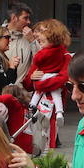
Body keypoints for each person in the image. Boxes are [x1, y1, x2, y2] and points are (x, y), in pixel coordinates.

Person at [24, 19, 72, 148]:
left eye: (41, 31)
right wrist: (32, 79)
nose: (36, 35)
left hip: (53, 106)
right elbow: (27, 83)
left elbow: (62, 79)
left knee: (49, 138)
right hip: (39, 104)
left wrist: (38, 84)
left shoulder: (65, 55)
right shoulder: (41, 54)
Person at [4, 2, 35, 83]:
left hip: (23, 91)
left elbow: (40, 59)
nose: (29, 22)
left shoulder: (30, 37)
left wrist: (32, 41)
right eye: (25, 18)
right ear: (14, 18)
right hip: (4, 91)